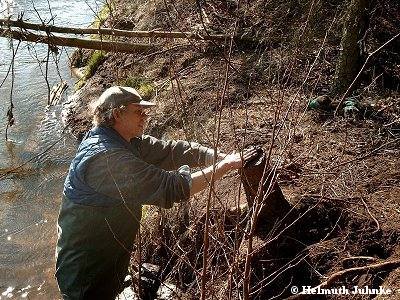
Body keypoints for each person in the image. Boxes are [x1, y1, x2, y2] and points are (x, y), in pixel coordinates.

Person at [55, 86, 256, 299]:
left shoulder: (124, 141)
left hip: (107, 258)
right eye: (138, 112)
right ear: (117, 114)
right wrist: (225, 167)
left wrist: (222, 157)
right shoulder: (107, 159)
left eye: (145, 112)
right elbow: (172, 188)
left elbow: (173, 151)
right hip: (85, 272)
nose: (145, 117)